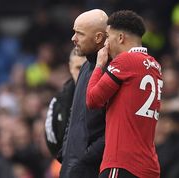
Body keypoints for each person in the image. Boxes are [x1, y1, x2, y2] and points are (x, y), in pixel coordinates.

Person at [86, 10, 163, 178]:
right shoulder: (155, 66)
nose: (105, 43)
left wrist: (99, 65)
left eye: (107, 36)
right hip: (148, 167)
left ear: (120, 38)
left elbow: (92, 100)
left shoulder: (126, 61)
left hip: (122, 164)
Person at [59, 9, 108, 178]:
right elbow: (75, 115)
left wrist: (86, 157)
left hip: (91, 169)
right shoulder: (86, 66)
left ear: (99, 38)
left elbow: (113, 127)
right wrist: (65, 152)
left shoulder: (112, 72)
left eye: (79, 33)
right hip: (71, 166)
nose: (73, 38)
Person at [44, 48, 86, 160]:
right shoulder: (59, 101)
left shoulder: (104, 95)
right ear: (70, 67)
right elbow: (52, 140)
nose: (82, 72)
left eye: (85, 67)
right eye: (78, 68)